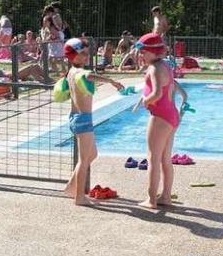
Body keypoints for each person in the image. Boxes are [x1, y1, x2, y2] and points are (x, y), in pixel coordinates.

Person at [59, 37, 124, 206]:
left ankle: (71, 187)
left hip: (78, 118)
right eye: (83, 53)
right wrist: (111, 81)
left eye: (88, 53)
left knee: (92, 154)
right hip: (83, 119)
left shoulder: (71, 72)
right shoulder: (79, 72)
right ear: (73, 56)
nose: (87, 56)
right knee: (83, 159)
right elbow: (90, 75)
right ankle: (79, 197)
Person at [135, 32, 186, 209]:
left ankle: (151, 199)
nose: (141, 56)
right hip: (172, 115)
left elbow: (156, 93)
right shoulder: (165, 65)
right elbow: (169, 89)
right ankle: (166, 196)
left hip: (160, 117)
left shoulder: (154, 68)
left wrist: (145, 100)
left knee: (153, 158)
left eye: (143, 52)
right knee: (166, 158)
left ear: (154, 52)